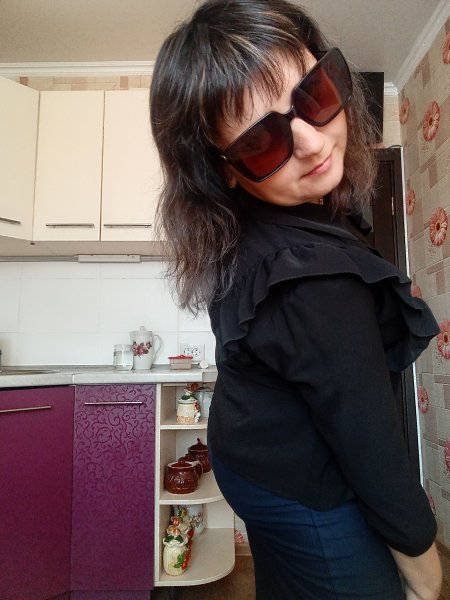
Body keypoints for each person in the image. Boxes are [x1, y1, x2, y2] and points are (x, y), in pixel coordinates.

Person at [150, 1, 443, 598]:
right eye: (263, 142)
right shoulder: (307, 274)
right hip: (297, 487)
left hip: (251, 463)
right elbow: (369, 440)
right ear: (225, 170)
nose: (312, 142)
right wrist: (424, 566)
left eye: (315, 94)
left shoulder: (253, 228)